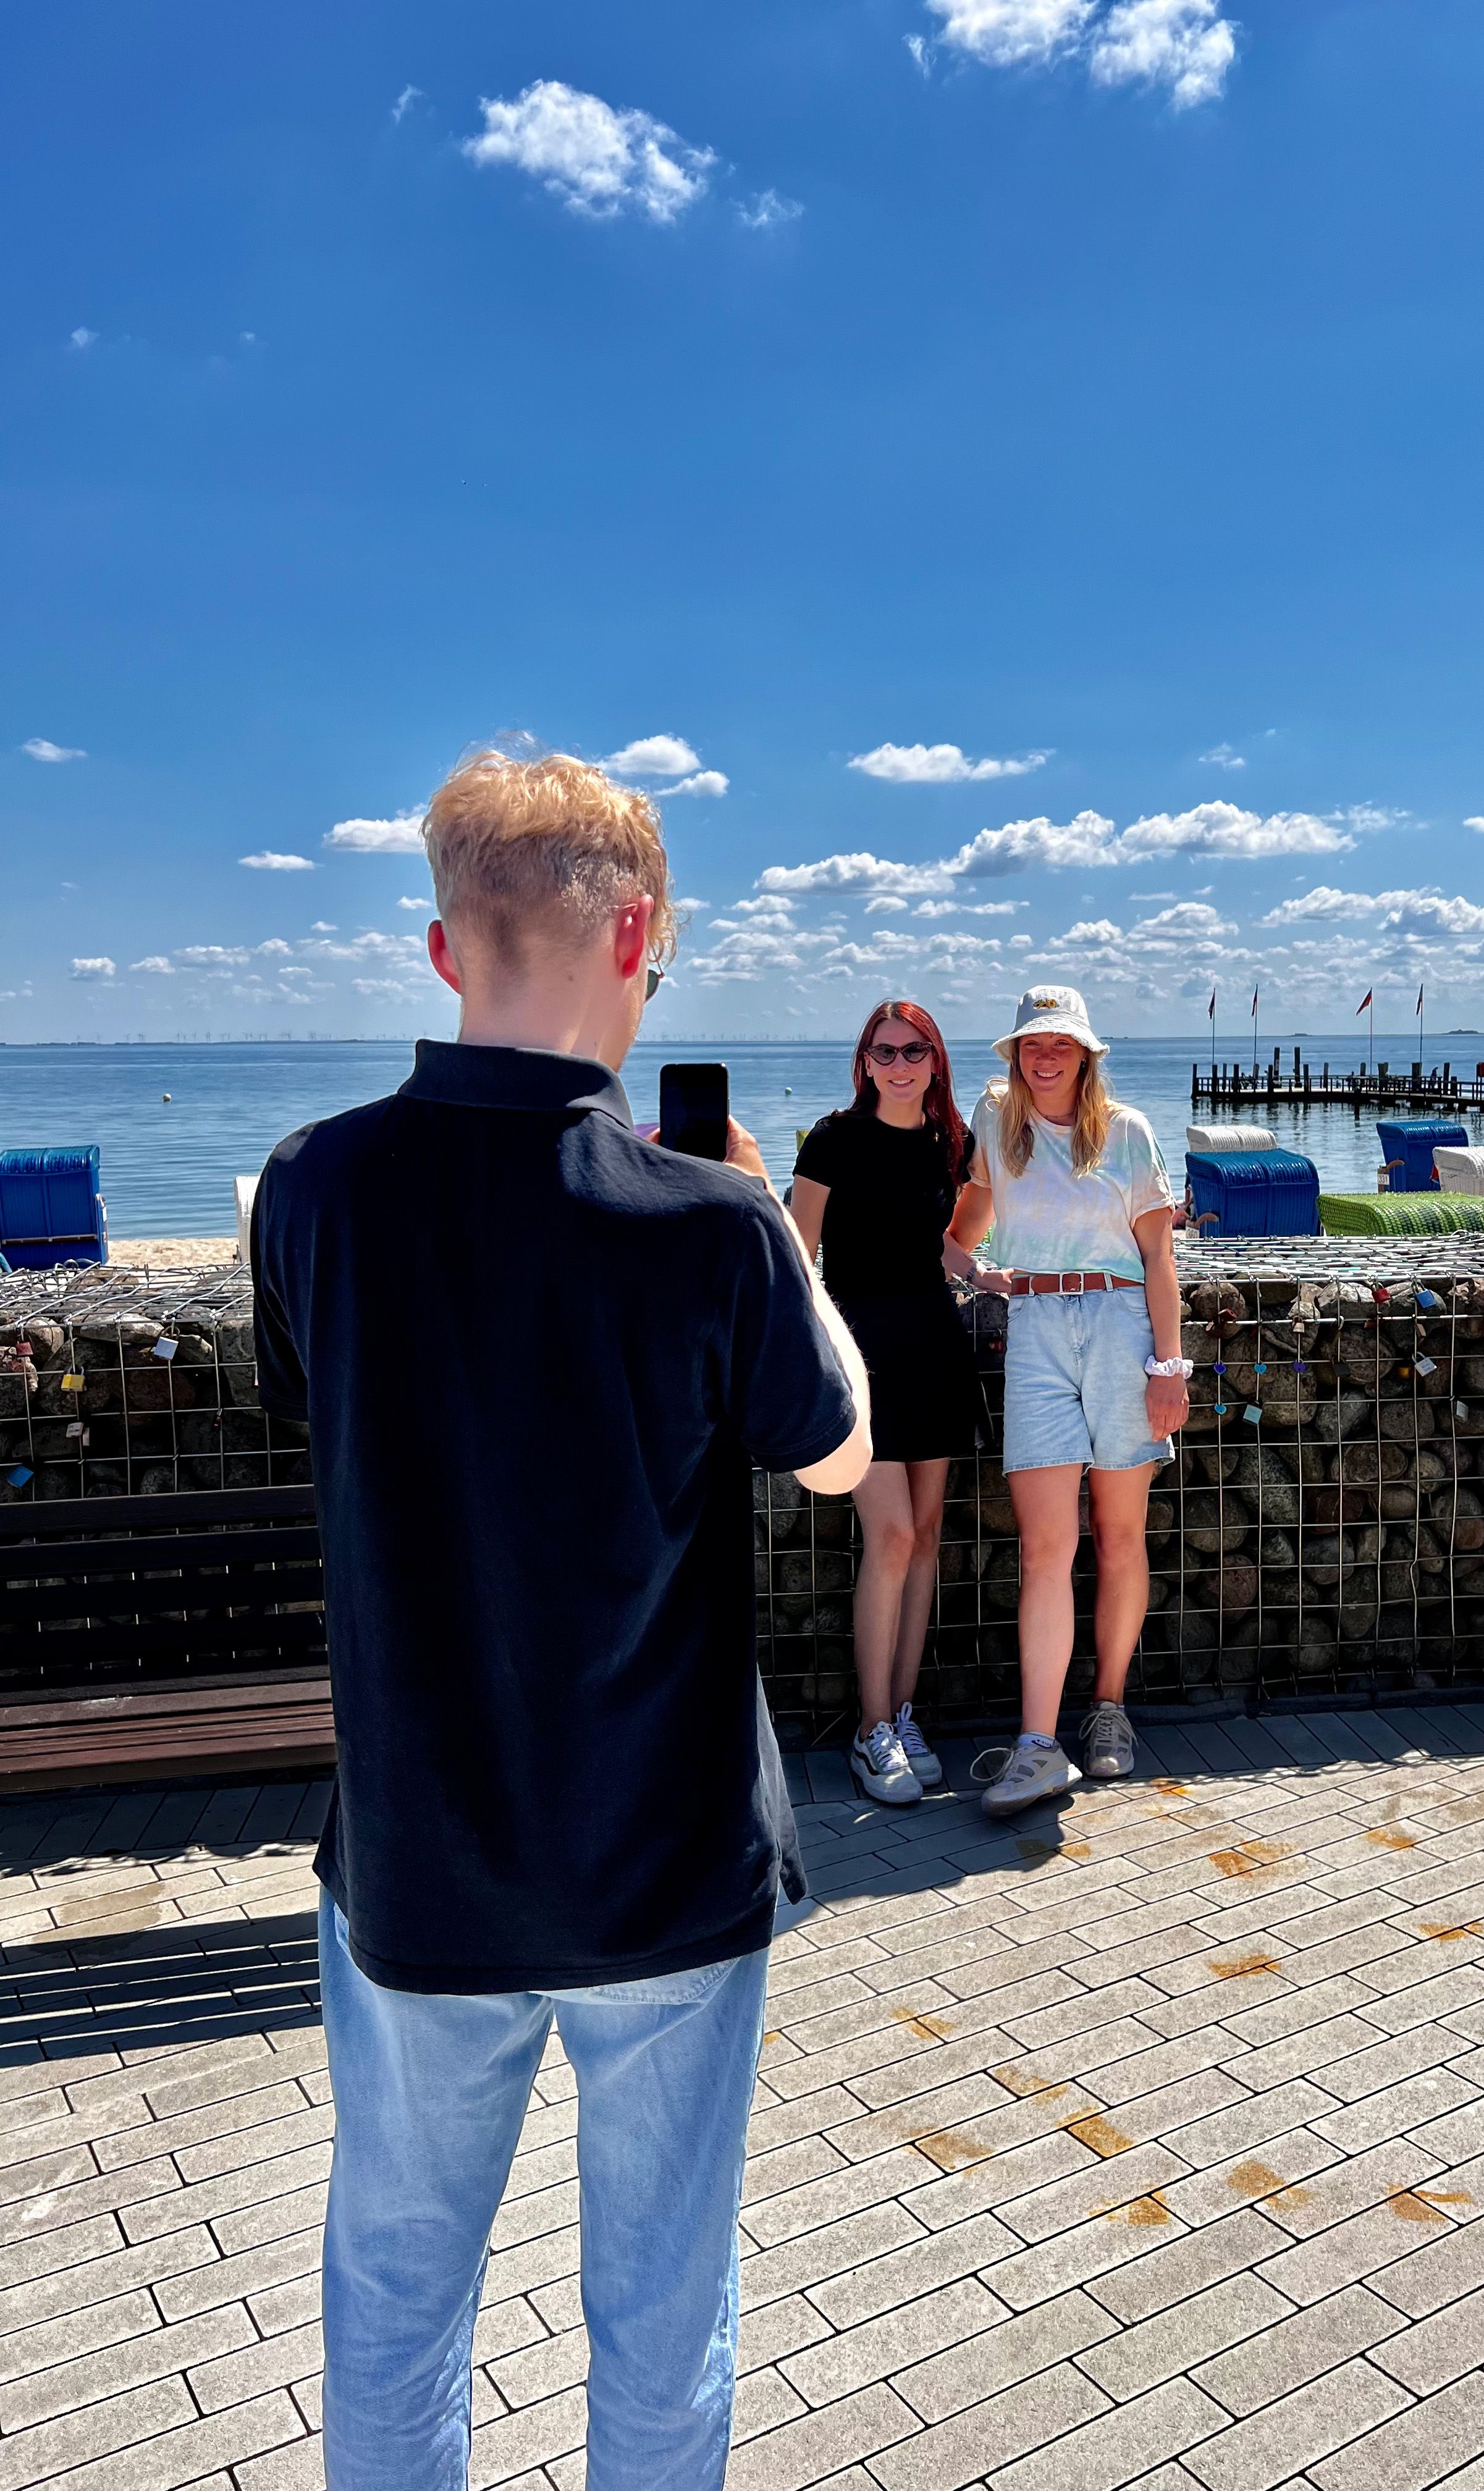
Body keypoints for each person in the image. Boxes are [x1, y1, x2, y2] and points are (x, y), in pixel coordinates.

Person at [250, 750, 869, 2491]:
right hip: (666, 1863)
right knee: (663, 2309)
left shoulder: (312, 1188)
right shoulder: (715, 1227)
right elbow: (839, 1457)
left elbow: (321, 1408)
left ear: (444, 951)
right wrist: (779, 1233)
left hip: (423, 1858)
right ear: (643, 938)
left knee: (393, 2290)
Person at [948, 985, 1190, 1815]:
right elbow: (961, 1231)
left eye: (1060, 1043)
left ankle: (1110, 1711)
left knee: (1121, 1535)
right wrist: (970, 1270)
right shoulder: (995, 1128)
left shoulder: (1126, 1133)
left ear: (1086, 1054)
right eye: (1031, 1044)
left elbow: (1160, 1257)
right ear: (1015, 1055)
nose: (1044, 1055)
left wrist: (1170, 1366)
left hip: (1122, 1323)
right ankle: (1038, 1745)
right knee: (1048, 1547)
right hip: (1038, 1325)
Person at [791, 1001, 1006, 1805]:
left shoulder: (951, 1142)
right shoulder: (833, 1139)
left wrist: (975, 1272)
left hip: (931, 1350)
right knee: (886, 1537)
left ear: (934, 1058)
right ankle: (870, 1729)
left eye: (913, 1049)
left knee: (922, 1542)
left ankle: (903, 1716)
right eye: (884, 1050)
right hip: (859, 1357)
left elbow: (943, 1232)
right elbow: (797, 1253)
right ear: (865, 1060)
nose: (899, 1062)